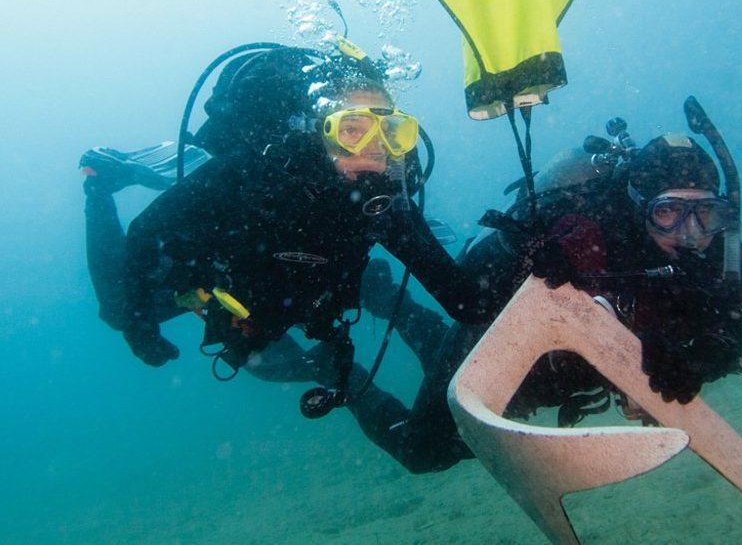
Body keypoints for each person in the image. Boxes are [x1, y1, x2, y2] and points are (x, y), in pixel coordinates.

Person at [80, 40, 488, 468]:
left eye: (390, 131)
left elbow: (464, 301)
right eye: (352, 129)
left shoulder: (384, 201)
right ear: (319, 130)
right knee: (118, 310)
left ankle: (382, 311)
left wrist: (524, 249)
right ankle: (99, 182)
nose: (373, 148)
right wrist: (139, 325)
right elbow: (146, 231)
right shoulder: (250, 173)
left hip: (314, 276)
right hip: (227, 267)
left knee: (337, 287)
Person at [355, 122, 742, 470]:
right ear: (637, 204)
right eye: (668, 211)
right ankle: (341, 374)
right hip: (504, 349)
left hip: (567, 377)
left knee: (438, 362)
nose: (691, 232)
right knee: (423, 452)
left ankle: (392, 303)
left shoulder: (719, 250)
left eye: (706, 211)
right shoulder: (584, 234)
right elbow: (476, 297)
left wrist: (704, 358)